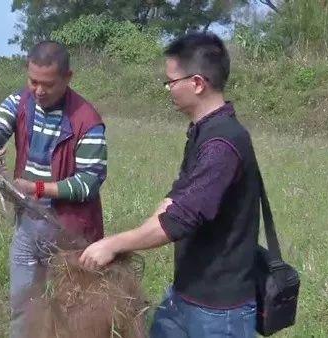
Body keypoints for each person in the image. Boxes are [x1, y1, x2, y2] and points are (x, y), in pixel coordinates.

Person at [80, 32, 260, 338]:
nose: (168, 89)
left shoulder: (223, 143)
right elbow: (176, 199)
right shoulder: (203, 131)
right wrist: (132, 236)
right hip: (184, 294)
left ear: (198, 83)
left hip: (218, 312)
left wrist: (114, 244)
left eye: (171, 81)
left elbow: (180, 219)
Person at [0, 41, 108, 337]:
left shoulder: (87, 120)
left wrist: (39, 188)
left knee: (74, 310)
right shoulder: (18, 102)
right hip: (28, 225)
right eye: (33, 81)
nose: (39, 91)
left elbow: (90, 181)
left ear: (68, 78)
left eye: (48, 84)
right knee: (22, 303)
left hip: (70, 232)